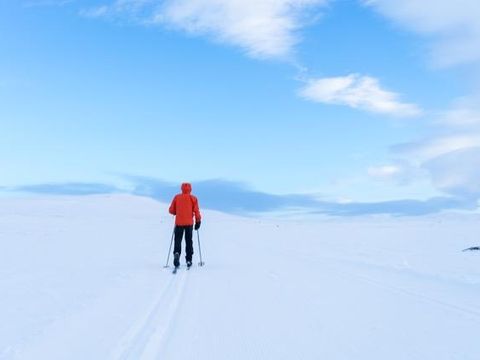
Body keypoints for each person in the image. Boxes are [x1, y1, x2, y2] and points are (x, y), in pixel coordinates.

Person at [169, 183, 202, 268]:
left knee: (178, 240)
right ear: (190, 189)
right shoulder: (193, 198)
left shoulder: (177, 197)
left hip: (179, 223)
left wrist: (177, 211)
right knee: (188, 241)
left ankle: (177, 253)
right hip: (189, 224)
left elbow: (171, 210)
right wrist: (198, 221)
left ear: (181, 188)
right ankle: (189, 260)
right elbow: (196, 211)